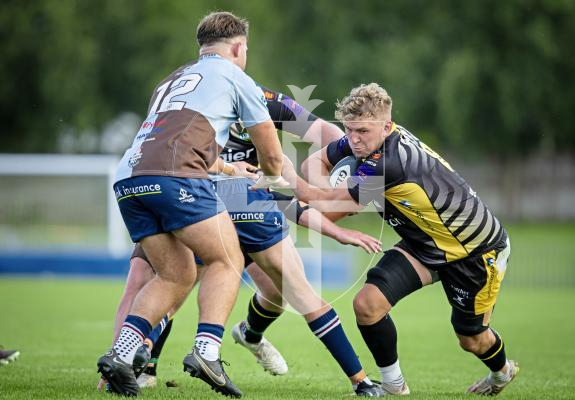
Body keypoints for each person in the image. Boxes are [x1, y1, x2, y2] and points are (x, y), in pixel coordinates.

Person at [100, 85, 384, 397]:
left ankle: (248, 335)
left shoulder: (267, 102)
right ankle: (142, 362)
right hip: (204, 196)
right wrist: (328, 199)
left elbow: (329, 138)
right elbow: (293, 189)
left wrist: (346, 178)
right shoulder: (196, 103)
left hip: (232, 197)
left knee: (271, 291)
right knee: (164, 277)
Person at [97, 11, 286, 398]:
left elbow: (174, 139)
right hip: (174, 176)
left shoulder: (171, 80)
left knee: (176, 272)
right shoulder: (237, 77)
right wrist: (272, 176)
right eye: (245, 49)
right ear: (238, 47)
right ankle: (207, 352)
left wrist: (229, 169)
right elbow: (270, 145)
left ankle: (120, 354)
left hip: (129, 178)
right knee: (227, 257)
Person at [291, 83, 519, 396]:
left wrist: (288, 183)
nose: (354, 139)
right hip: (424, 242)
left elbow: (327, 214)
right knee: (367, 305)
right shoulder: (369, 140)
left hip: (474, 250)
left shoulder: (388, 164)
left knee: (471, 339)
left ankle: (502, 371)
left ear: (386, 126)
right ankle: (394, 386)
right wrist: (333, 191)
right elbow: (311, 164)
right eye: (349, 130)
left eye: (362, 132)